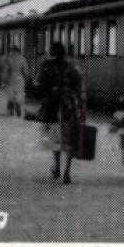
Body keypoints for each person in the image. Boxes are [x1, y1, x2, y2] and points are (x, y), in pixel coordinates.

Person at [37, 42, 85, 184]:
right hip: (69, 106)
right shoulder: (72, 67)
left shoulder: (46, 66)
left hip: (52, 106)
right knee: (69, 139)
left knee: (55, 138)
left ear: (51, 52)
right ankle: (67, 172)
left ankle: (57, 167)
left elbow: (40, 85)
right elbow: (78, 86)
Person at [2, 44, 29, 118]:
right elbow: (26, 71)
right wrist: (26, 79)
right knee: (18, 96)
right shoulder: (22, 59)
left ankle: (10, 111)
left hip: (11, 79)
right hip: (20, 79)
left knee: (10, 96)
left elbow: (5, 71)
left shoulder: (8, 59)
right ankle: (18, 111)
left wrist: (4, 80)